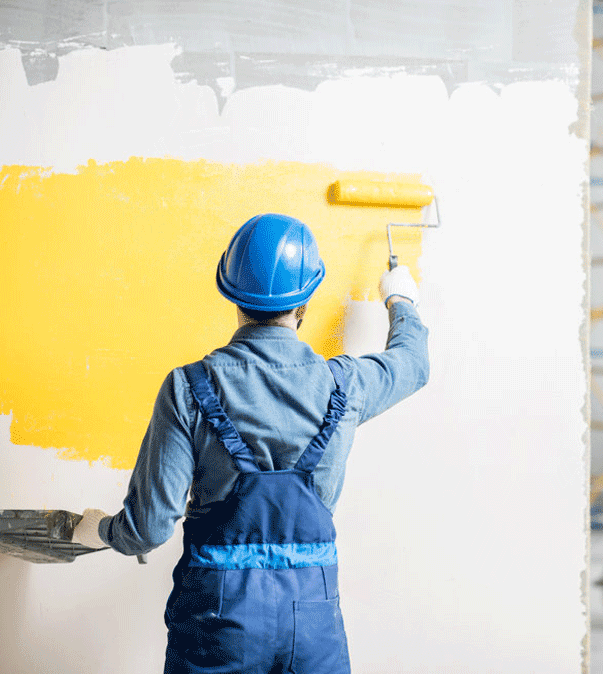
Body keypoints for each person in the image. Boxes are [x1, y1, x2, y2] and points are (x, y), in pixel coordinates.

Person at [71, 213, 429, 673]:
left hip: (218, 624)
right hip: (312, 624)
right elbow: (413, 363)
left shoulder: (188, 388)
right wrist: (400, 297)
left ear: (232, 295)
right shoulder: (346, 385)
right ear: (305, 303)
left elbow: (147, 530)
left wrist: (98, 529)